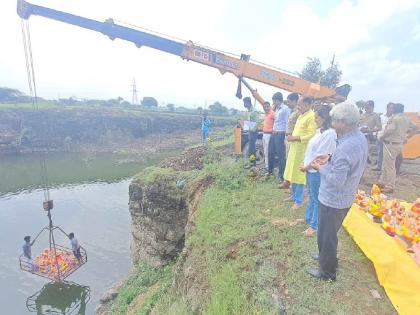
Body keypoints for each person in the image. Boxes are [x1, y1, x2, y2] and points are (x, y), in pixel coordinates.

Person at [308, 101, 367, 281]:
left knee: (326, 235)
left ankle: (327, 272)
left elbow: (336, 181)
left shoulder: (346, 146)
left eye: (334, 120)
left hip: (333, 199)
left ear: (343, 122)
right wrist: (330, 157)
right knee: (328, 234)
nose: (331, 123)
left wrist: (319, 167)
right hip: (344, 198)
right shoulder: (358, 138)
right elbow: (347, 161)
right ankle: (327, 257)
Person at [299, 105, 337, 237]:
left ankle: (314, 225)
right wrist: (304, 162)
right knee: (311, 195)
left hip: (317, 171)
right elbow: (312, 151)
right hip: (311, 169)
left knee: (316, 198)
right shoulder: (320, 131)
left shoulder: (329, 134)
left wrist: (306, 167)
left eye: (316, 117)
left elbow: (320, 157)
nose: (314, 119)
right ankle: (308, 219)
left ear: (324, 118)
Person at [283, 96, 317, 209]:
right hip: (295, 149)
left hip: (302, 150)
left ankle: (298, 200)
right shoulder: (301, 115)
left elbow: (311, 134)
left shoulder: (311, 116)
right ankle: (293, 195)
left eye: (299, 105)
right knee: (292, 172)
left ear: (307, 105)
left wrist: (295, 138)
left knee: (299, 175)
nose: (298, 107)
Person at [378, 103, 418, 193]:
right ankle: (382, 181)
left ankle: (390, 186)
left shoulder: (394, 119)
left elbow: (390, 130)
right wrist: (407, 137)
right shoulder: (407, 119)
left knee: (390, 166)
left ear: (395, 110)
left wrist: (382, 137)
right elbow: (416, 128)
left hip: (390, 144)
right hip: (399, 144)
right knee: (386, 163)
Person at [279, 92, 300, 189]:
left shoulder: (299, 112)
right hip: (288, 139)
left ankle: (291, 183)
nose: (288, 103)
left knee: (292, 162)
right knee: (288, 160)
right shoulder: (292, 111)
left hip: (294, 139)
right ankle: (287, 181)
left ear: (295, 101)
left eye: (289, 101)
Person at [270, 92, 290, 183]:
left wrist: (286, 137)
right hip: (274, 134)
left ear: (278, 100)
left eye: (274, 100)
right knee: (270, 152)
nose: (273, 102)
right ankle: (270, 172)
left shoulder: (285, 109)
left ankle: (281, 176)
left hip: (280, 134)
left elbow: (287, 123)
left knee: (281, 156)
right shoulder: (277, 109)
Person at [360, 100, 382, 165]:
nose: (366, 108)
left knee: (365, 151)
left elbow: (379, 127)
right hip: (358, 135)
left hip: (367, 136)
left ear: (372, 107)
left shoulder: (375, 115)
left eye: (367, 106)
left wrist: (369, 130)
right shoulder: (361, 115)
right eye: (365, 106)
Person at [373, 102, 394, 171]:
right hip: (380, 136)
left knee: (388, 154)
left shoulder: (394, 118)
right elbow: (377, 126)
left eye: (393, 108)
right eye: (391, 108)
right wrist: (375, 133)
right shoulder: (381, 117)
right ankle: (379, 166)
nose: (392, 109)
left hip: (389, 138)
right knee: (380, 152)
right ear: (387, 108)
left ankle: (386, 168)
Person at [241, 97, 260, 166]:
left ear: (248, 103)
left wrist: (253, 129)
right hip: (250, 132)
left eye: (245, 103)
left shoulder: (254, 111)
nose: (244, 104)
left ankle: (253, 163)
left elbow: (258, 122)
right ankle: (251, 163)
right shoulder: (249, 111)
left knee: (252, 148)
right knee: (251, 148)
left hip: (253, 132)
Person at [262, 101, 275, 174]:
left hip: (269, 135)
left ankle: (269, 168)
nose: (266, 108)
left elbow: (277, 123)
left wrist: (273, 130)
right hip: (264, 134)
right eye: (264, 107)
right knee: (265, 152)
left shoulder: (272, 113)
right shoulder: (265, 114)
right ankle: (267, 167)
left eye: (267, 106)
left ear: (269, 106)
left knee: (268, 152)